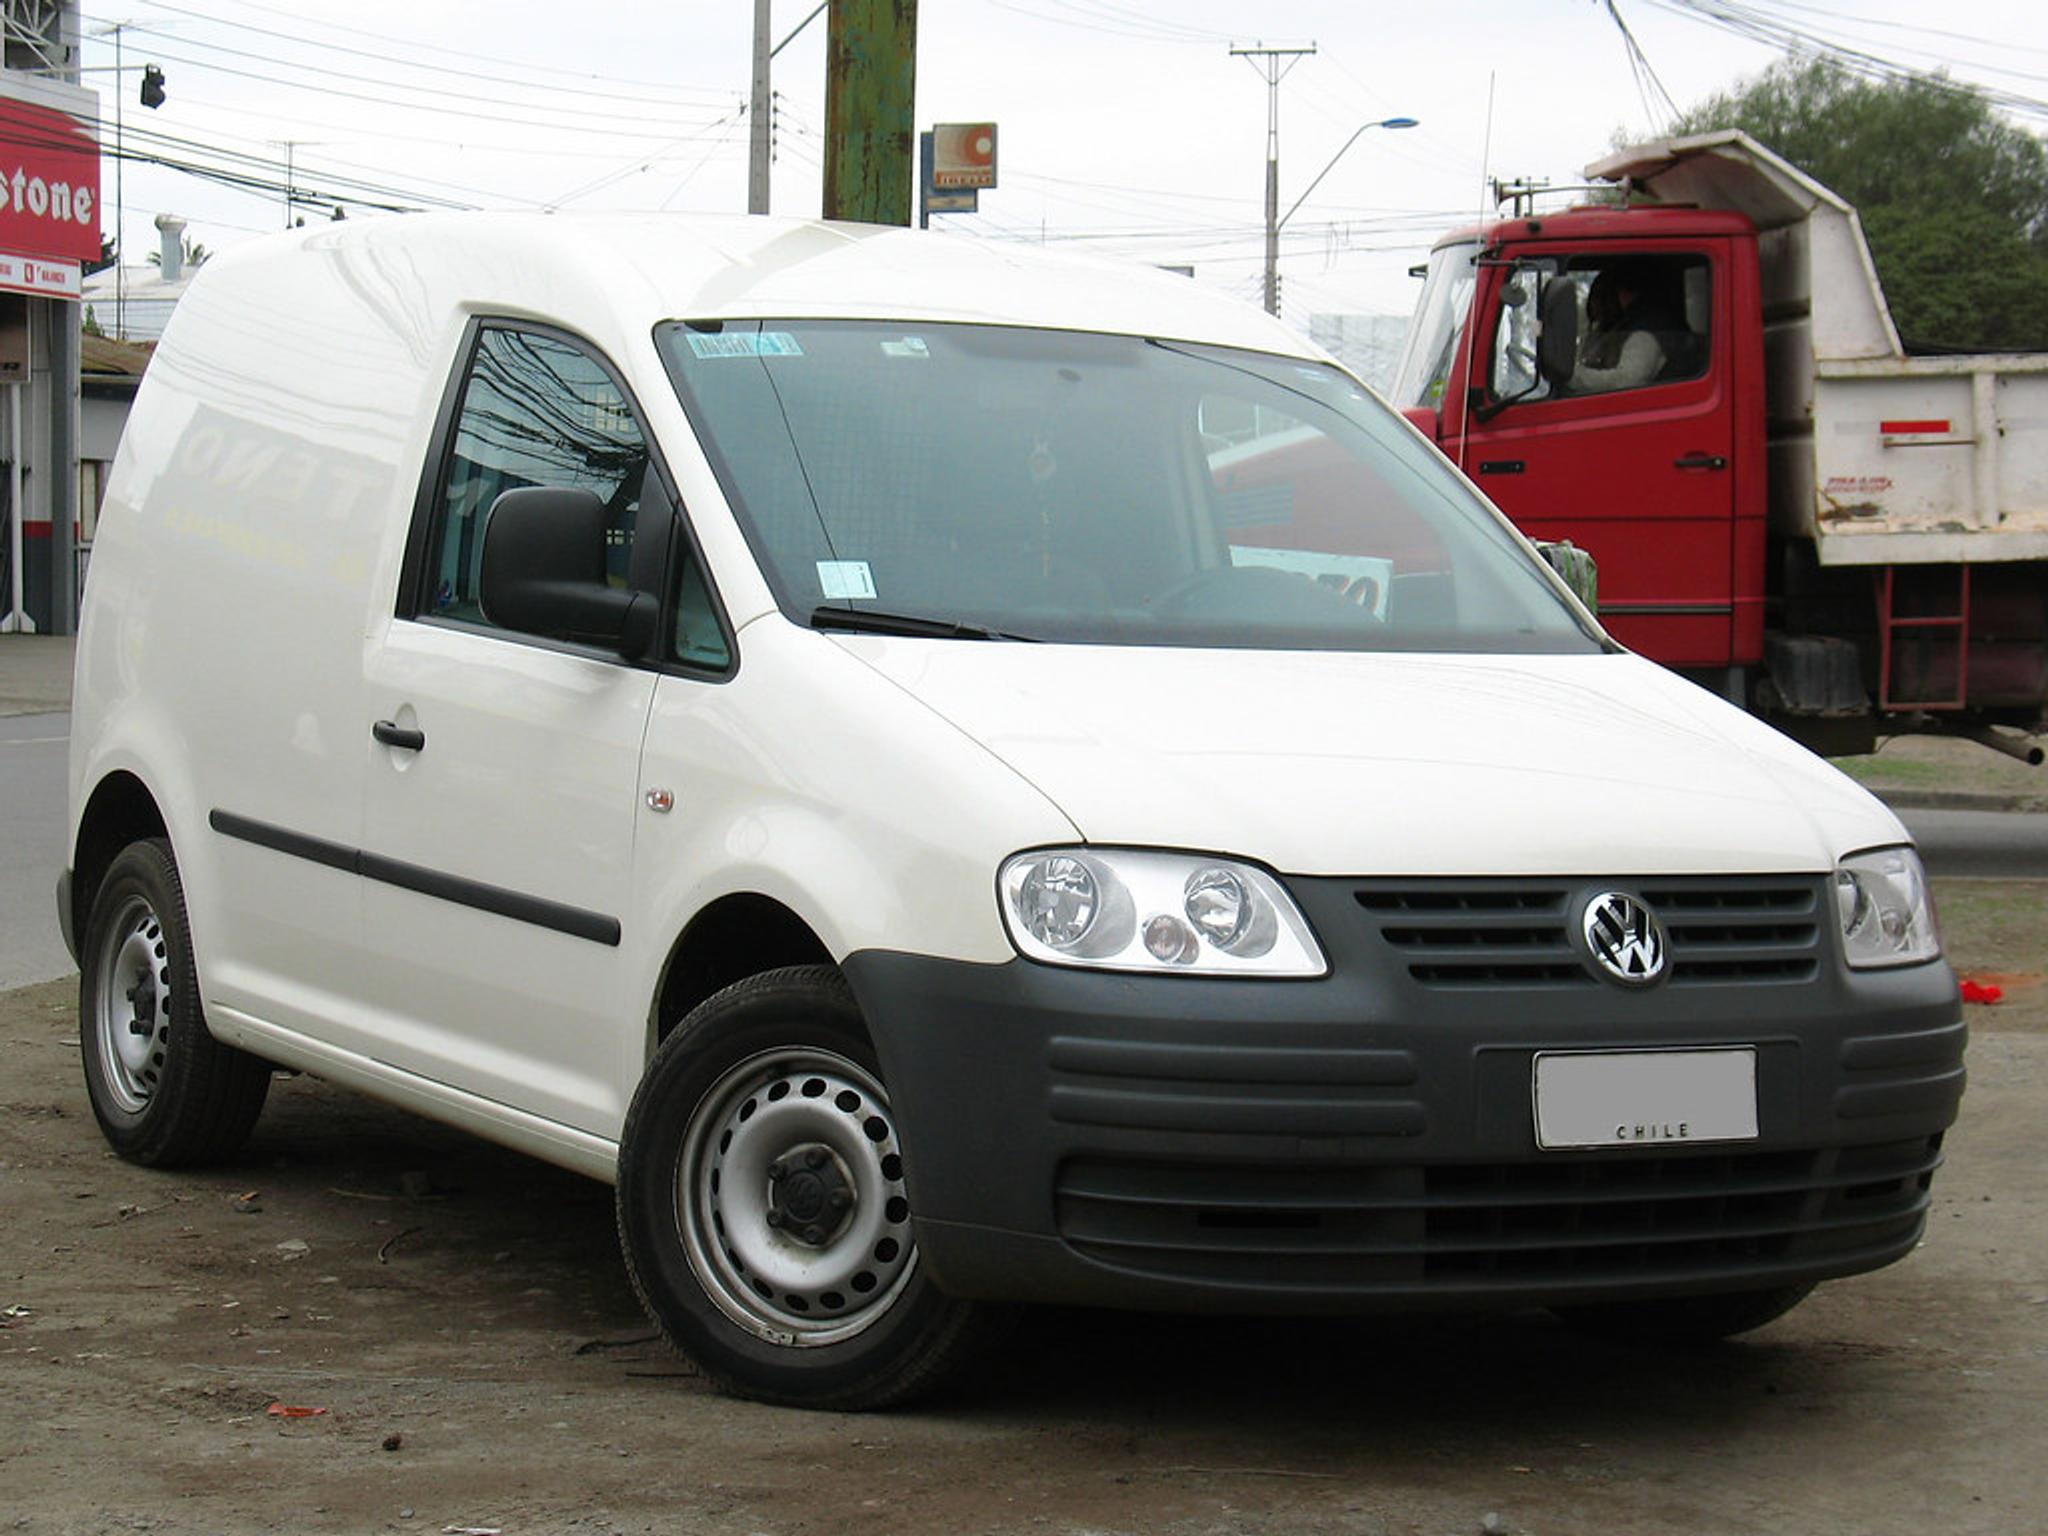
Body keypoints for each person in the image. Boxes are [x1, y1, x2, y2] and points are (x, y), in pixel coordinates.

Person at [1570, 261, 1673, 394]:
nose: (1597, 306)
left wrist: (1572, 377)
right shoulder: (1610, 329)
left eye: (1602, 298)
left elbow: (1625, 381)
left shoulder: (1644, 334)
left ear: (1622, 294)